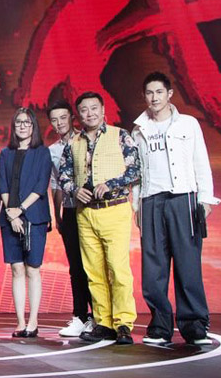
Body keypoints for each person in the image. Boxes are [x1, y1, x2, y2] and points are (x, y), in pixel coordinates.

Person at [131, 72, 219, 346]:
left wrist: (205, 199)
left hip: (183, 198)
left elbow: (200, 161)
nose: (154, 97)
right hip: (151, 201)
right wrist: (136, 206)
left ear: (169, 94)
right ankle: (160, 326)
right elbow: (137, 173)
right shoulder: (138, 129)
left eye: (159, 92)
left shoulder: (188, 124)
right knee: (153, 268)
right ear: (144, 96)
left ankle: (194, 326)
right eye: (149, 93)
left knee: (187, 264)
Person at [57, 92, 141, 345]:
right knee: (93, 271)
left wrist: (111, 184)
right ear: (78, 115)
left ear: (103, 110)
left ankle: (123, 323)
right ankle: (103, 322)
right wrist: (74, 189)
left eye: (94, 108)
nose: (89, 113)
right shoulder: (73, 142)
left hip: (114, 209)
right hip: (85, 213)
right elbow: (63, 175)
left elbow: (136, 169)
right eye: (84, 110)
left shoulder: (120, 135)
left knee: (117, 268)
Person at [0, 108, 53, 338]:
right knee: (16, 269)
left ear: (33, 127)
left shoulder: (42, 152)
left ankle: (33, 320)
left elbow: (41, 186)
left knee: (32, 269)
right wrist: (11, 214)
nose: (22, 126)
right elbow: (2, 185)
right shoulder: (5, 153)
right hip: (9, 218)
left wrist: (20, 210)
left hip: (34, 217)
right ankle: (20, 322)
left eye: (27, 122)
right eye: (18, 122)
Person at [47, 101, 95, 337]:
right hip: (69, 211)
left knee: (94, 265)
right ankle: (80, 316)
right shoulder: (52, 151)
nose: (59, 123)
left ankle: (100, 316)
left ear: (72, 118)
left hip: (91, 209)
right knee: (76, 266)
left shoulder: (87, 140)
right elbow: (56, 185)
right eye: (54, 120)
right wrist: (57, 216)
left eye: (63, 118)